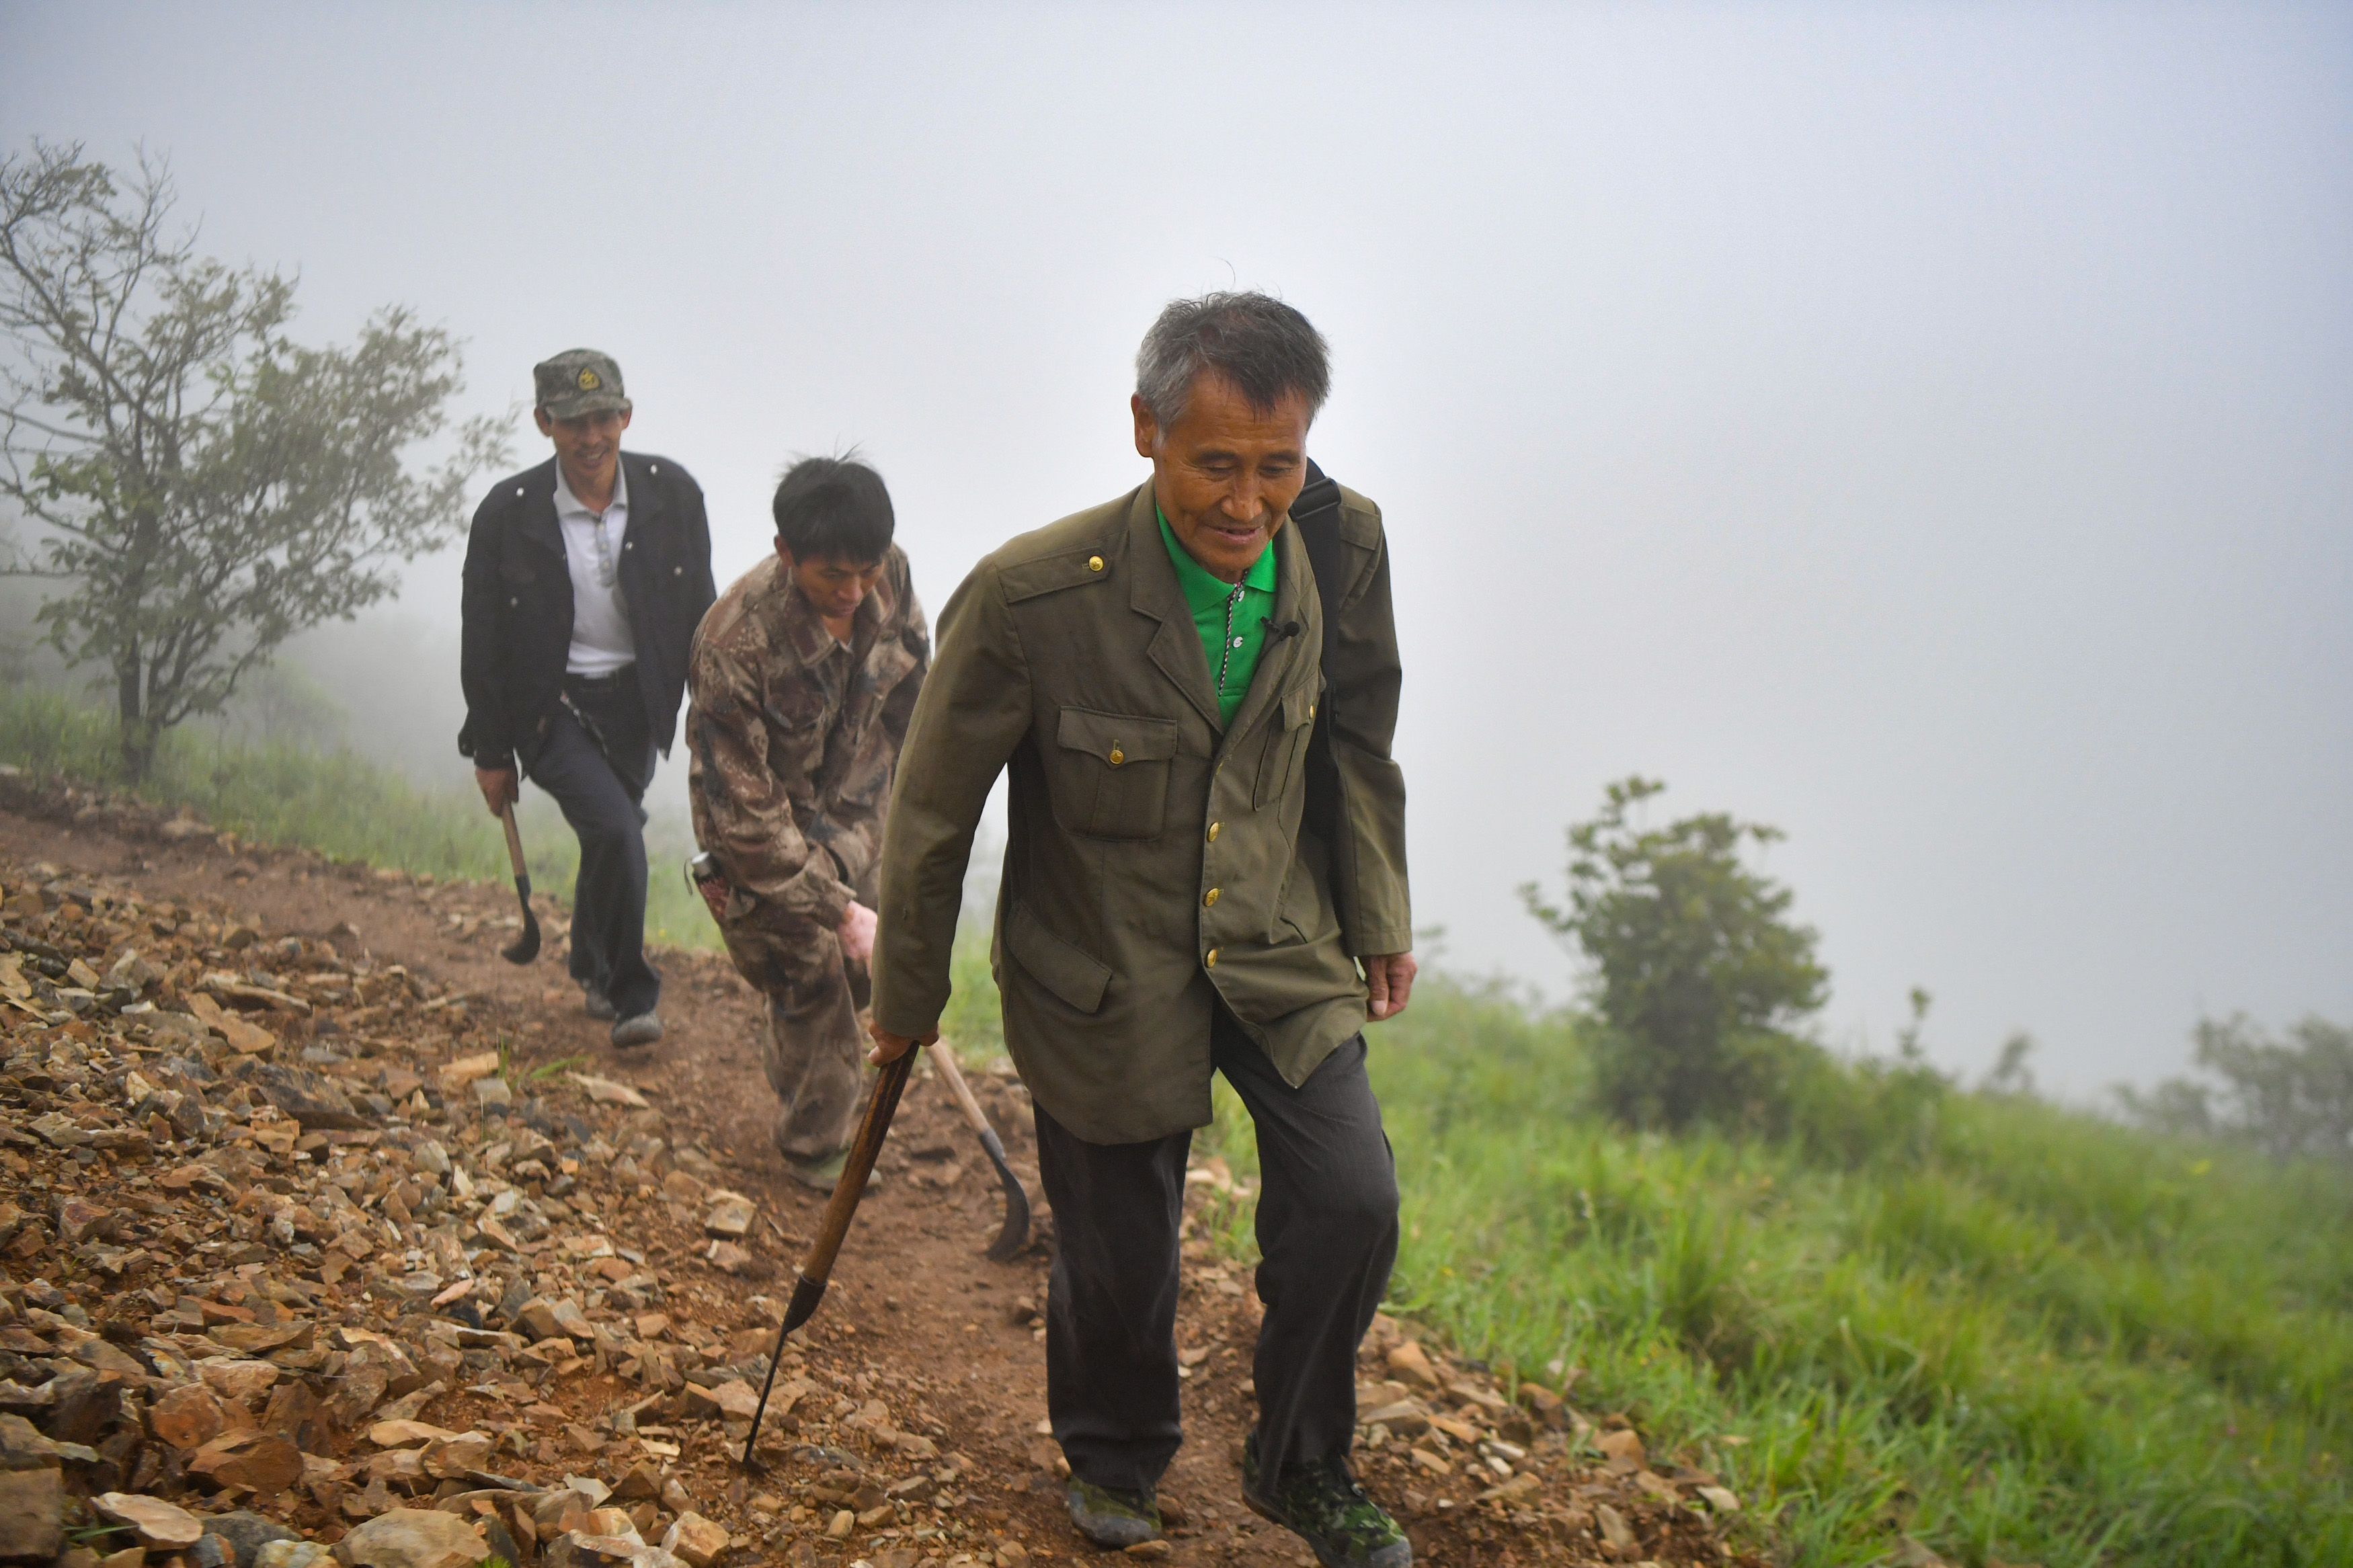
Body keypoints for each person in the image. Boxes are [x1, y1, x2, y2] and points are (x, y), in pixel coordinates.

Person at [869, 293, 1417, 1567]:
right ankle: (1115, 1452)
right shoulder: (1032, 594)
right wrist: (909, 994)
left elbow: (1358, 739)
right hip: (1099, 959)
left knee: (1353, 1199)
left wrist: (1379, 910)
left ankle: (1301, 1463)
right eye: (1214, 464)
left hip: (1280, 938)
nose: (1246, 502)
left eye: (1276, 466)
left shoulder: (1342, 546)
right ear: (1145, 431)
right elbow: (933, 813)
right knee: (1120, 1246)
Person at [684, 456, 928, 1190]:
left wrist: (924, 805)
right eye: (832, 577)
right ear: (787, 553)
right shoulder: (733, 644)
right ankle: (815, 1145)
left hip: (857, 814)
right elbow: (748, 819)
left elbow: (914, 691)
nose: (854, 591)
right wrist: (835, 908)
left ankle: (796, 1040)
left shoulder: (890, 574)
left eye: (867, 569)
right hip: (760, 839)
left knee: (861, 977)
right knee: (811, 973)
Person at [458, 349, 715, 1048]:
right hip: (549, 708)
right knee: (617, 830)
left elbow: (702, 610)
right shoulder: (508, 513)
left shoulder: (674, 496)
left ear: (626, 415)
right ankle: (633, 993)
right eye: (573, 420)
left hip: (639, 702)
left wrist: (714, 709)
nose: (590, 435)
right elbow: (481, 637)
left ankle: (586, 961)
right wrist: (489, 749)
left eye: (603, 417)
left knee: (610, 832)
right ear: (545, 423)